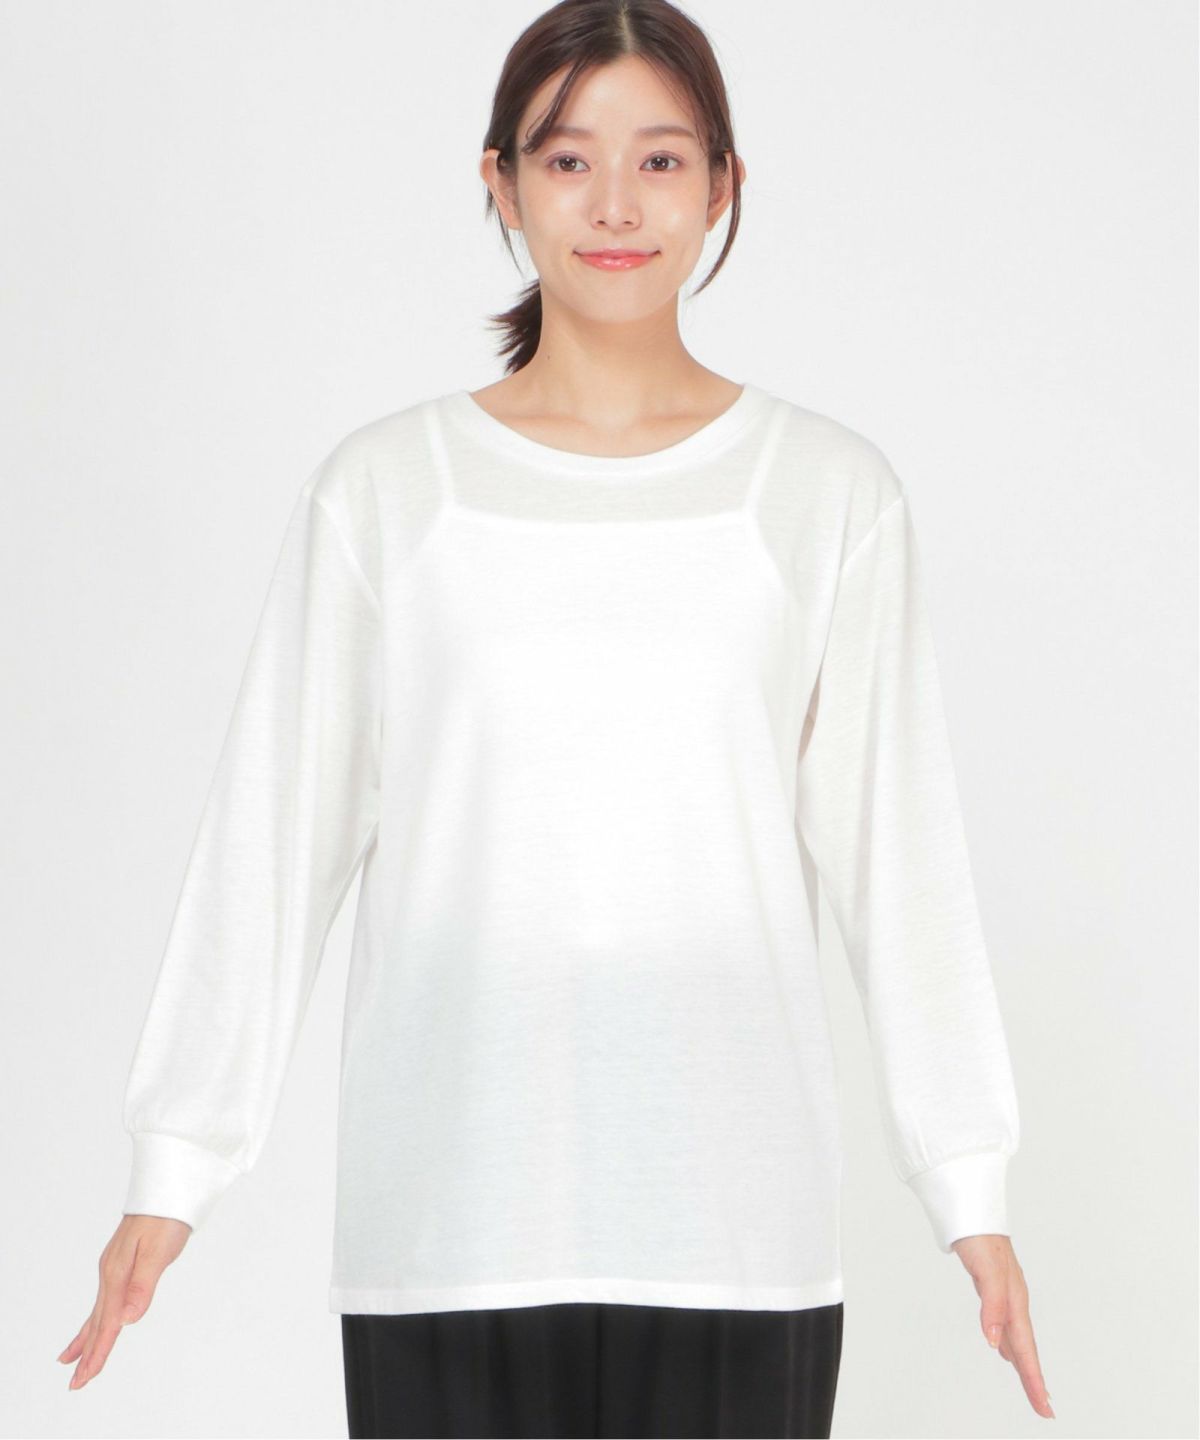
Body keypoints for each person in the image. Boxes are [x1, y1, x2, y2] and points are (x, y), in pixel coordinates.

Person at [59, 1, 1054, 1435]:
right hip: (452, 1219)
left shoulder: (824, 494)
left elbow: (902, 858)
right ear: (503, 183)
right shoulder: (389, 493)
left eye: (661, 160)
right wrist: (177, 1166)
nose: (615, 205)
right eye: (569, 159)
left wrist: (969, 1186)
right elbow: (273, 836)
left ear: (724, 185)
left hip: (732, 1224)